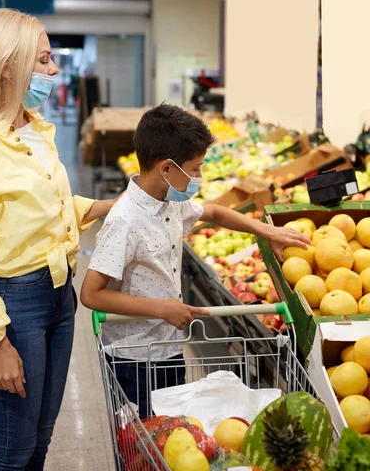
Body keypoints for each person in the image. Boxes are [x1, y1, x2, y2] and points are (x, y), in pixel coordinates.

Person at [81, 104, 310, 418]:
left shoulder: (169, 202)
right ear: (167, 168)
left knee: (172, 434)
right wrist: (162, 308)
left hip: (169, 345)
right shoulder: (125, 221)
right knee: (145, 440)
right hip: (134, 357)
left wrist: (266, 230)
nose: (199, 177)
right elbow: (91, 294)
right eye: (196, 168)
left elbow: (214, 212)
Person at [0, 8, 116, 471]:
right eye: (45, 60)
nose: (54, 71)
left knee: (41, 440)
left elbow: (51, 209)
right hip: (16, 305)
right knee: (13, 450)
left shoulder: (37, 132)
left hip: (60, 295)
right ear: (9, 66)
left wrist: (121, 203)